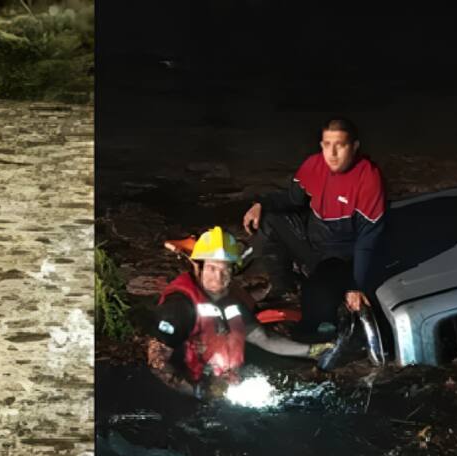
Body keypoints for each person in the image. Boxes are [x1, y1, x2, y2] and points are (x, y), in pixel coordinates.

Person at [147, 226, 335, 399]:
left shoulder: (230, 300)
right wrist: (200, 392)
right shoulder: (179, 306)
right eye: (212, 268)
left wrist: (312, 351)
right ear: (199, 267)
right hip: (193, 393)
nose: (218, 277)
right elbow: (157, 363)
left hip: (226, 384)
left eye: (225, 269)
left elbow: (263, 338)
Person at [241, 118, 388, 335]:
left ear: (354, 146)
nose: (333, 153)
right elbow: (293, 198)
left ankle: (318, 323)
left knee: (316, 303)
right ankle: (284, 291)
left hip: (340, 255)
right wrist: (261, 204)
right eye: (327, 145)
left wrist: (356, 286)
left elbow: (367, 241)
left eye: (340, 145)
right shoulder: (314, 165)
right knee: (267, 220)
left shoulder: (369, 179)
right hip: (312, 239)